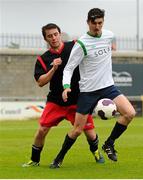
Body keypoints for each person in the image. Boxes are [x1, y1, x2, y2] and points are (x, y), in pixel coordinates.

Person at [51, 8, 136, 166]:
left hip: (108, 86)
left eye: (100, 23)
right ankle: (59, 157)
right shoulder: (82, 44)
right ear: (88, 22)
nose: (97, 27)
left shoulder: (109, 35)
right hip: (88, 91)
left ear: (103, 22)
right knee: (77, 130)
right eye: (94, 23)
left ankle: (109, 143)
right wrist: (66, 86)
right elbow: (69, 68)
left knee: (130, 113)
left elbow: (108, 45)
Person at [22, 23, 104, 168]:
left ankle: (96, 151)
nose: (53, 38)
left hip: (78, 100)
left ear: (60, 34)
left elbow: (91, 51)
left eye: (55, 34)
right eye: (49, 36)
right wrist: (53, 68)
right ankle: (34, 160)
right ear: (45, 39)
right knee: (42, 130)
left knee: (90, 133)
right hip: (56, 101)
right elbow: (40, 82)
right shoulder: (43, 59)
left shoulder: (74, 46)